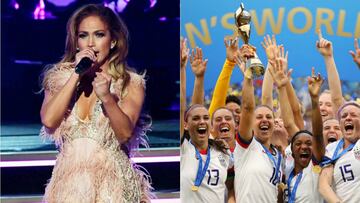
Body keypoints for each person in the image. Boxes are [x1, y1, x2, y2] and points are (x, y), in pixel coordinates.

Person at [39, 4, 151, 202]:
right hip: (69, 186)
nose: (91, 43)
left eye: (99, 35)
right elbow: (49, 121)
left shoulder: (130, 83)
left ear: (113, 40)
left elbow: (125, 134)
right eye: (83, 35)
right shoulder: (58, 80)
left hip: (113, 186)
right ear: (76, 42)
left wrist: (107, 98)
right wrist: (76, 75)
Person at [180, 104, 231, 202]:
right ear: (185, 125)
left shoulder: (224, 152)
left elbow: (233, 183)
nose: (202, 121)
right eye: (196, 118)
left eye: (206, 118)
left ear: (211, 125)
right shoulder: (183, 149)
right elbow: (181, 104)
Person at [319, 102, 360, 203]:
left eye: (353, 115)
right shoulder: (332, 148)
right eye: (344, 116)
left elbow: (336, 98)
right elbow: (323, 185)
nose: (348, 118)